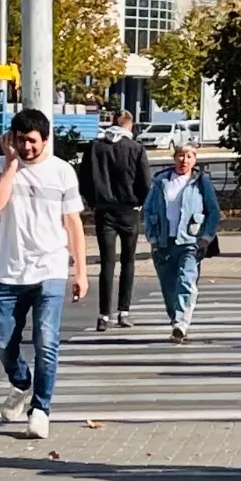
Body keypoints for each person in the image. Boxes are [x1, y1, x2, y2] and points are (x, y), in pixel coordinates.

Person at [0, 109, 89, 440]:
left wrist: (81, 272)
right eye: (20, 141)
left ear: (46, 140)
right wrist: (11, 164)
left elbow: (73, 223)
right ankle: (21, 383)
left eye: (32, 141)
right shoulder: (1, 167)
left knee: (47, 341)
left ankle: (41, 410)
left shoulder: (62, 172)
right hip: (9, 271)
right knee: (2, 341)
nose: (27, 147)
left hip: (51, 268)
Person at [78, 110, 152, 331]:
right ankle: (124, 311)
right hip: (129, 210)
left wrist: (93, 201)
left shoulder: (95, 147)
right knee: (128, 262)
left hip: (104, 211)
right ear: (129, 126)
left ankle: (103, 315)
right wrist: (139, 201)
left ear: (111, 124)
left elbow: (84, 179)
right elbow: (146, 181)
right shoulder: (136, 148)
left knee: (107, 263)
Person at [143, 143, 220, 344]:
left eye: (188, 156)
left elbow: (213, 211)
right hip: (163, 241)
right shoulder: (161, 182)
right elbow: (148, 209)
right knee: (169, 286)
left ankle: (181, 324)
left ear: (195, 159)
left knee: (186, 280)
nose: (184, 160)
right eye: (180, 156)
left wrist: (206, 236)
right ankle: (175, 319)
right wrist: (151, 236)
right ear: (174, 158)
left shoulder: (200, 182)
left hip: (190, 241)